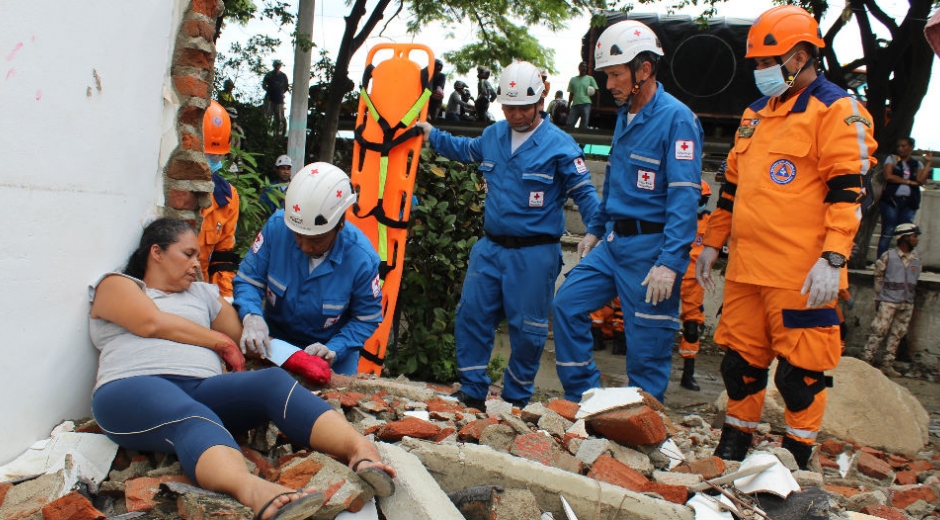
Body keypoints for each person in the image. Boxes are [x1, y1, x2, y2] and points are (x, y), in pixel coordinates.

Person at [89, 218, 396, 520]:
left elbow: (253, 343)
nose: (197, 264)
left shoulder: (204, 295)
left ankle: (360, 451)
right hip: (130, 388)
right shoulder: (117, 285)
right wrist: (219, 342)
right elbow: (149, 322)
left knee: (271, 382)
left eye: (198, 255)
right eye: (188, 254)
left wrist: (303, 359)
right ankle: (253, 491)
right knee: (195, 418)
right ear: (156, 252)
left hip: (198, 388)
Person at [695, 5, 878, 470]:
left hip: (802, 273)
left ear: (799, 56)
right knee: (740, 366)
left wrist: (834, 256)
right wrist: (712, 245)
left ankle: (796, 459)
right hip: (747, 270)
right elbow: (731, 188)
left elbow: (849, 190)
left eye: (766, 62)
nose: (760, 72)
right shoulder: (755, 114)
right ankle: (734, 448)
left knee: (801, 375)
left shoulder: (838, 110)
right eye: (756, 64)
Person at [415, 61, 600, 409]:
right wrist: (430, 134)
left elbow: (585, 193)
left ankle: (515, 400)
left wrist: (597, 230)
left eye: (523, 108)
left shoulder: (560, 146)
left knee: (528, 331)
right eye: (509, 107)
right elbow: (463, 150)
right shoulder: (493, 136)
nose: (515, 114)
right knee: (471, 316)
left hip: (535, 254)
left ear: (540, 102)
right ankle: (471, 390)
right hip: (490, 250)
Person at [551, 20, 703, 406]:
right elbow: (616, 182)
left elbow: (685, 197)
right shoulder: (625, 115)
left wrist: (671, 262)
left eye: (616, 74)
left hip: (651, 250)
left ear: (644, 70)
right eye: (606, 74)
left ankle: (642, 424)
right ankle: (584, 398)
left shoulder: (676, 118)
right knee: (566, 304)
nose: (608, 84)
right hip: (614, 243)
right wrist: (595, 229)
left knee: (646, 346)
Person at [234, 162, 383, 377]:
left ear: (339, 225)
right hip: (275, 343)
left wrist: (335, 349)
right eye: (297, 236)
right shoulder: (277, 228)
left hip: (330, 351)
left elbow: (366, 319)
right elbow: (249, 280)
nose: (304, 246)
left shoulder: (361, 259)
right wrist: (251, 315)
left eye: (316, 240)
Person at [861, 223, 922, 377]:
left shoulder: (916, 259)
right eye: (914, 236)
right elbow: (878, 277)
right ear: (904, 238)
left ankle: (887, 363)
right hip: (889, 300)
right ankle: (867, 359)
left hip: (906, 302)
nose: (916, 240)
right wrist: (877, 298)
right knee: (879, 330)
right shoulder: (889, 256)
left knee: (898, 333)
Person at [200, 100, 240, 301]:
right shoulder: (168, 191)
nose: (212, 162)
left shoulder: (228, 197)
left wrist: (225, 299)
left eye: (216, 158)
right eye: (208, 155)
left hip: (203, 290)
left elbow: (222, 257)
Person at [677, 180, 713, 391]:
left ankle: (688, 373)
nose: (702, 203)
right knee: (659, 326)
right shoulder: (674, 218)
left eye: (705, 200)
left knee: (692, 329)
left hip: (695, 281)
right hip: (671, 277)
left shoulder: (711, 220)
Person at [876, 137, 932, 258]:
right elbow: (889, 176)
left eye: (904, 146)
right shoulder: (893, 159)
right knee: (888, 230)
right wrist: (909, 182)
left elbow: (920, 181)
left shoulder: (917, 163)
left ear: (910, 147)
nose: (901, 149)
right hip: (892, 200)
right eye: (899, 146)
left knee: (906, 232)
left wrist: (928, 163)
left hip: (909, 202)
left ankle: (902, 259)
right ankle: (881, 260)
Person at [565, 62, 599, 129]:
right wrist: (568, 105)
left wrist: (597, 106)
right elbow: (571, 93)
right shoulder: (573, 79)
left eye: (586, 67)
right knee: (569, 124)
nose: (584, 68)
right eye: (583, 66)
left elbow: (597, 92)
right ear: (579, 68)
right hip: (575, 105)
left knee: (584, 125)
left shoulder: (590, 78)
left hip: (586, 104)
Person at [263, 59, 290, 135]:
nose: (277, 66)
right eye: (276, 65)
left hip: (279, 99)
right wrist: (269, 90)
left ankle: (277, 133)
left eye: (279, 65)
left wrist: (280, 92)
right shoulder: (269, 75)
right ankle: (266, 132)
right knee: (267, 116)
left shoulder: (283, 76)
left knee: (279, 118)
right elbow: (264, 85)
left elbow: (286, 86)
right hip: (269, 99)